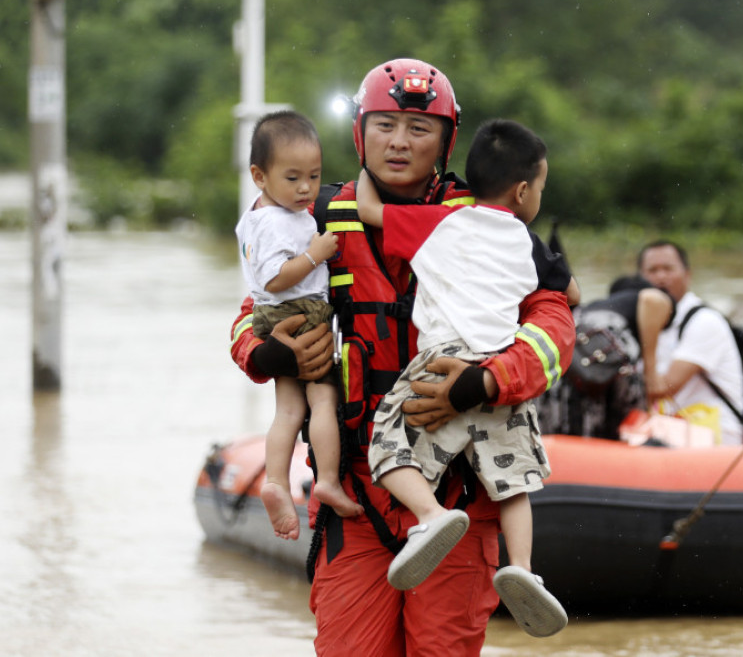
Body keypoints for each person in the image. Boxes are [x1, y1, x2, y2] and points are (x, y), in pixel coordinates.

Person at [229, 58, 576, 657]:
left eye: (419, 129)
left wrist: (486, 383)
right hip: (358, 494)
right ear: (362, 132)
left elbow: (553, 327)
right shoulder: (309, 216)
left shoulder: (487, 219)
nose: (399, 141)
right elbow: (251, 310)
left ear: (447, 141)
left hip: (461, 498)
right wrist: (269, 351)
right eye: (385, 125)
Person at [356, 118, 577, 636]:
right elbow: (571, 294)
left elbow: (368, 210)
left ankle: (429, 515)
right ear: (523, 191)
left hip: (441, 360)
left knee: (387, 448)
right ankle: (521, 568)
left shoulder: (437, 223)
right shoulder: (528, 244)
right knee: (515, 485)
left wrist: (365, 169)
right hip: (499, 364)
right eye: (541, 187)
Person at [235, 110, 363, 540]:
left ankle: (274, 481)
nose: (306, 188)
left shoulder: (258, 214)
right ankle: (326, 479)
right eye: (293, 179)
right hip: (301, 311)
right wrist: (317, 253)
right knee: (323, 401)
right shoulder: (276, 222)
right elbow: (274, 277)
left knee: (288, 410)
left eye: (314, 175)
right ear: (259, 175)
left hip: (273, 318)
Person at [637, 240, 743, 445]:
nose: (660, 277)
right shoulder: (636, 320)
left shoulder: (705, 321)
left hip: (714, 433)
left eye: (668, 269)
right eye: (652, 270)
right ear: (640, 279)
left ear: (687, 274)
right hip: (670, 429)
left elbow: (661, 389)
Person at [543, 275, 675, 439]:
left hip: (562, 366)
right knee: (624, 429)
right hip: (603, 363)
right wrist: (652, 376)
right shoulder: (650, 298)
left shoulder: (593, 306)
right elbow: (652, 299)